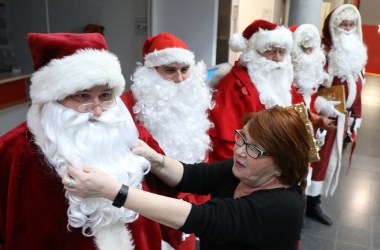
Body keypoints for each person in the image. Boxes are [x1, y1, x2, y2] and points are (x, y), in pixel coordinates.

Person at [0, 33, 188, 250]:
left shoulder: (135, 137)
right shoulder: (14, 151)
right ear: (53, 97)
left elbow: (169, 196)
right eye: (83, 96)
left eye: (106, 95)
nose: (97, 110)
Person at [63, 106, 310, 250]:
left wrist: (113, 191)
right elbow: (192, 176)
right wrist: (155, 158)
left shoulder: (282, 206)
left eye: (254, 149)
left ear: (281, 165)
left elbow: (197, 217)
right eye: (241, 138)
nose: (240, 150)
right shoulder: (245, 171)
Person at [208, 19, 305, 162]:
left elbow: (299, 120)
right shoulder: (233, 84)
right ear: (253, 52)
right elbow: (227, 142)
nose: (277, 58)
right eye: (270, 51)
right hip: (252, 170)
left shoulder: (281, 80)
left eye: (281, 51)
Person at [306, 4, 368, 225]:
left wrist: (355, 119)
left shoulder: (356, 51)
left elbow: (359, 87)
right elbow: (309, 86)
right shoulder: (321, 51)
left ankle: (314, 202)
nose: (348, 28)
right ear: (333, 26)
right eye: (344, 24)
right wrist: (322, 107)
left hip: (342, 120)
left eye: (352, 24)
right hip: (319, 118)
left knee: (326, 162)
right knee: (311, 161)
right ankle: (299, 204)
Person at [121, 32, 214, 165]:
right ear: (151, 71)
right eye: (170, 70)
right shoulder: (125, 105)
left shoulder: (196, 100)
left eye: (185, 69)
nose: (179, 78)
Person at [290, 23, 339, 226]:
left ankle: (297, 217)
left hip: (307, 130)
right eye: (304, 48)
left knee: (304, 176)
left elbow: (308, 98)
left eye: (312, 49)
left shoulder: (310, 74)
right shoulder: (286, 75)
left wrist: (321, 110)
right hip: (289, 134)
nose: (309, 54)